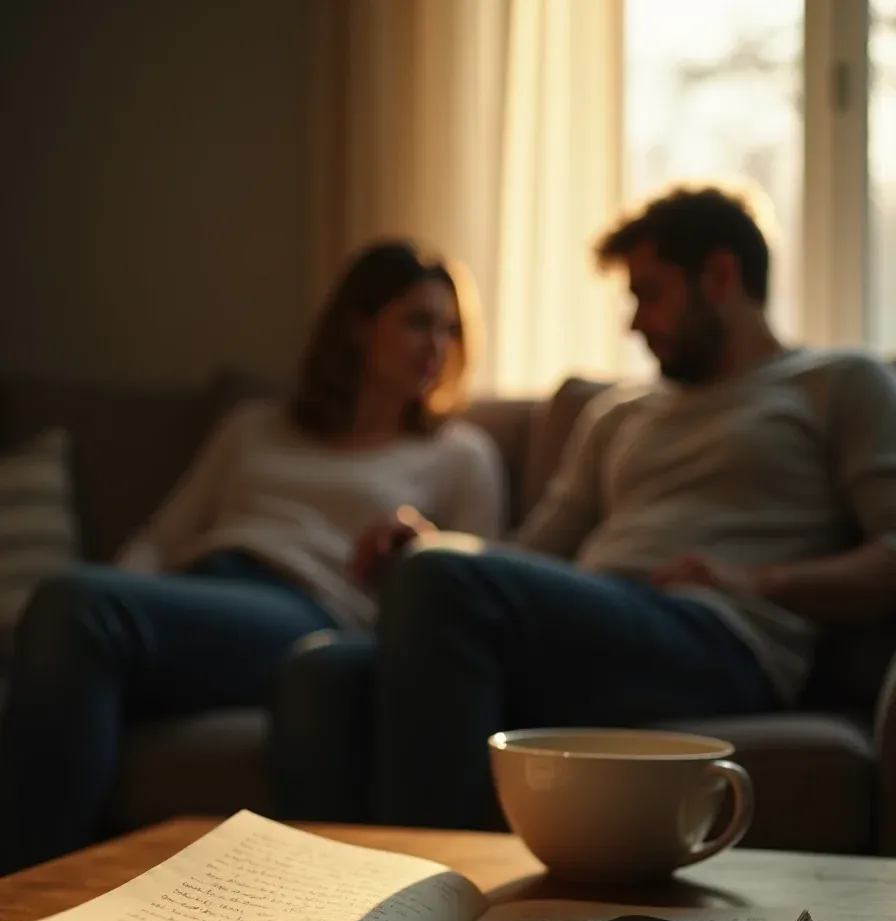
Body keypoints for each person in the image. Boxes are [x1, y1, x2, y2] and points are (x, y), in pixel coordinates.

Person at [283, 184, 896, 831]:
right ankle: (310, 891)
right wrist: (430, 545)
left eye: (650, 294)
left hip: (721, 636)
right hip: (597, 625)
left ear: (720, 277)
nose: (634, 323)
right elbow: (530, 554)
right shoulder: (619, 413)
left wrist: (758, 581)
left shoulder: (838, 383)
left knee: (441, 582)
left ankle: (430, 885)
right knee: (322, 669)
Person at [0, 240, 505, 873]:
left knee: (72, 603)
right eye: (418, 322)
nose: (437, 346)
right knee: (75, 615)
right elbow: (163, 538)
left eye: (450, 329)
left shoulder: (460, 454)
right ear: (358, 324)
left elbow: (470, 586)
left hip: (308, 611)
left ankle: (23, 891)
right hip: (202, 595)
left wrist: (415, 546)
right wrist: (127, 600)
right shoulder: (256, 426)